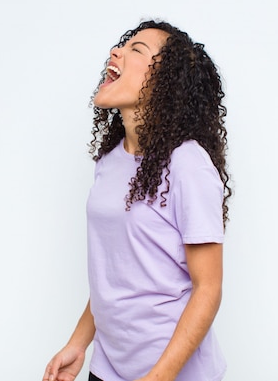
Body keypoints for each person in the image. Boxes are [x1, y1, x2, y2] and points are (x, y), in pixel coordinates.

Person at [43, 20, 231, 381]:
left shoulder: (187, 163)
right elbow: (113, 276)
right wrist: (78, 344)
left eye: (137, 50)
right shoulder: (109, 161)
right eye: (122, 45)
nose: (117, 52)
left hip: (172, 373)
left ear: (165, 82)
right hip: (109, 368)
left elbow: (208, 288)